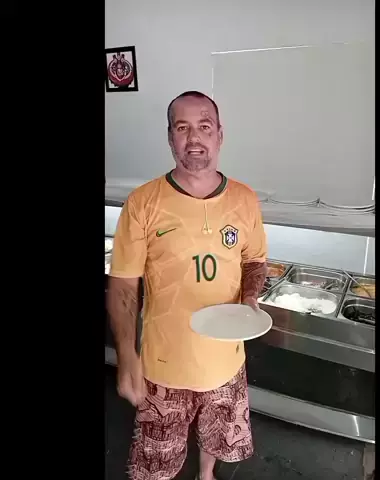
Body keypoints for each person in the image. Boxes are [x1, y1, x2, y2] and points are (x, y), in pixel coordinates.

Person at [107, 90, 268, 480]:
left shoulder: (245, 199)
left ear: (220, 135)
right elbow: (124, 285)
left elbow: (255, 259)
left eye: (204, 126)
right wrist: (127, 355)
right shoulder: (143, 202)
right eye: (182, 128)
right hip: (164, 365)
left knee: (216, 437)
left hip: (226, 361)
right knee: (155, 464)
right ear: (170, 137)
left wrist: (249, 296)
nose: (194, 138)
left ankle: (205, 474)